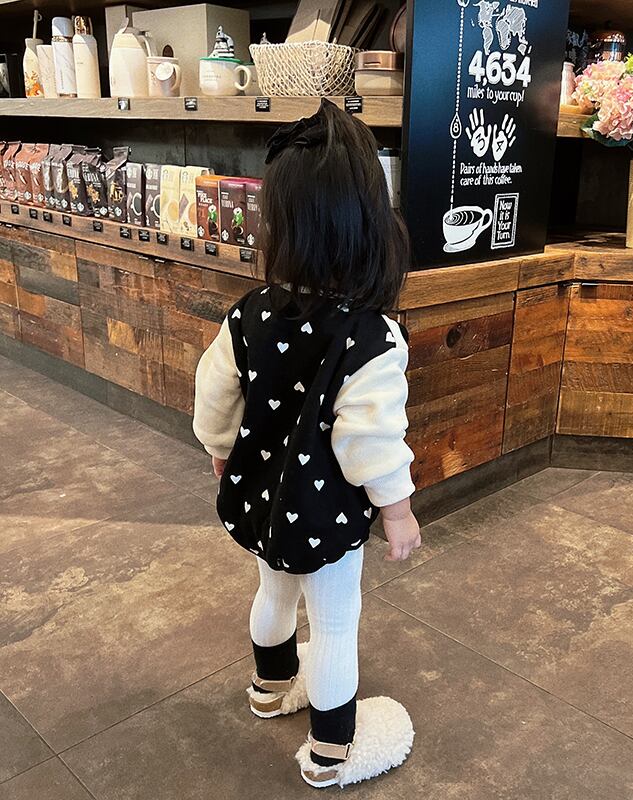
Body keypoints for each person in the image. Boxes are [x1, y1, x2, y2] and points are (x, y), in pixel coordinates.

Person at [192, 99, 419, 788]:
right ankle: (330, 751)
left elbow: (214, 391)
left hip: (262, 500)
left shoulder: (249, 313)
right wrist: (398, 510)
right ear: (368, 224)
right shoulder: (371, 335)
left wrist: (220, 450)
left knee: (274, 592)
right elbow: (370, 440)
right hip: (325, 515)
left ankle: (268, 688)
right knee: (336, 623)